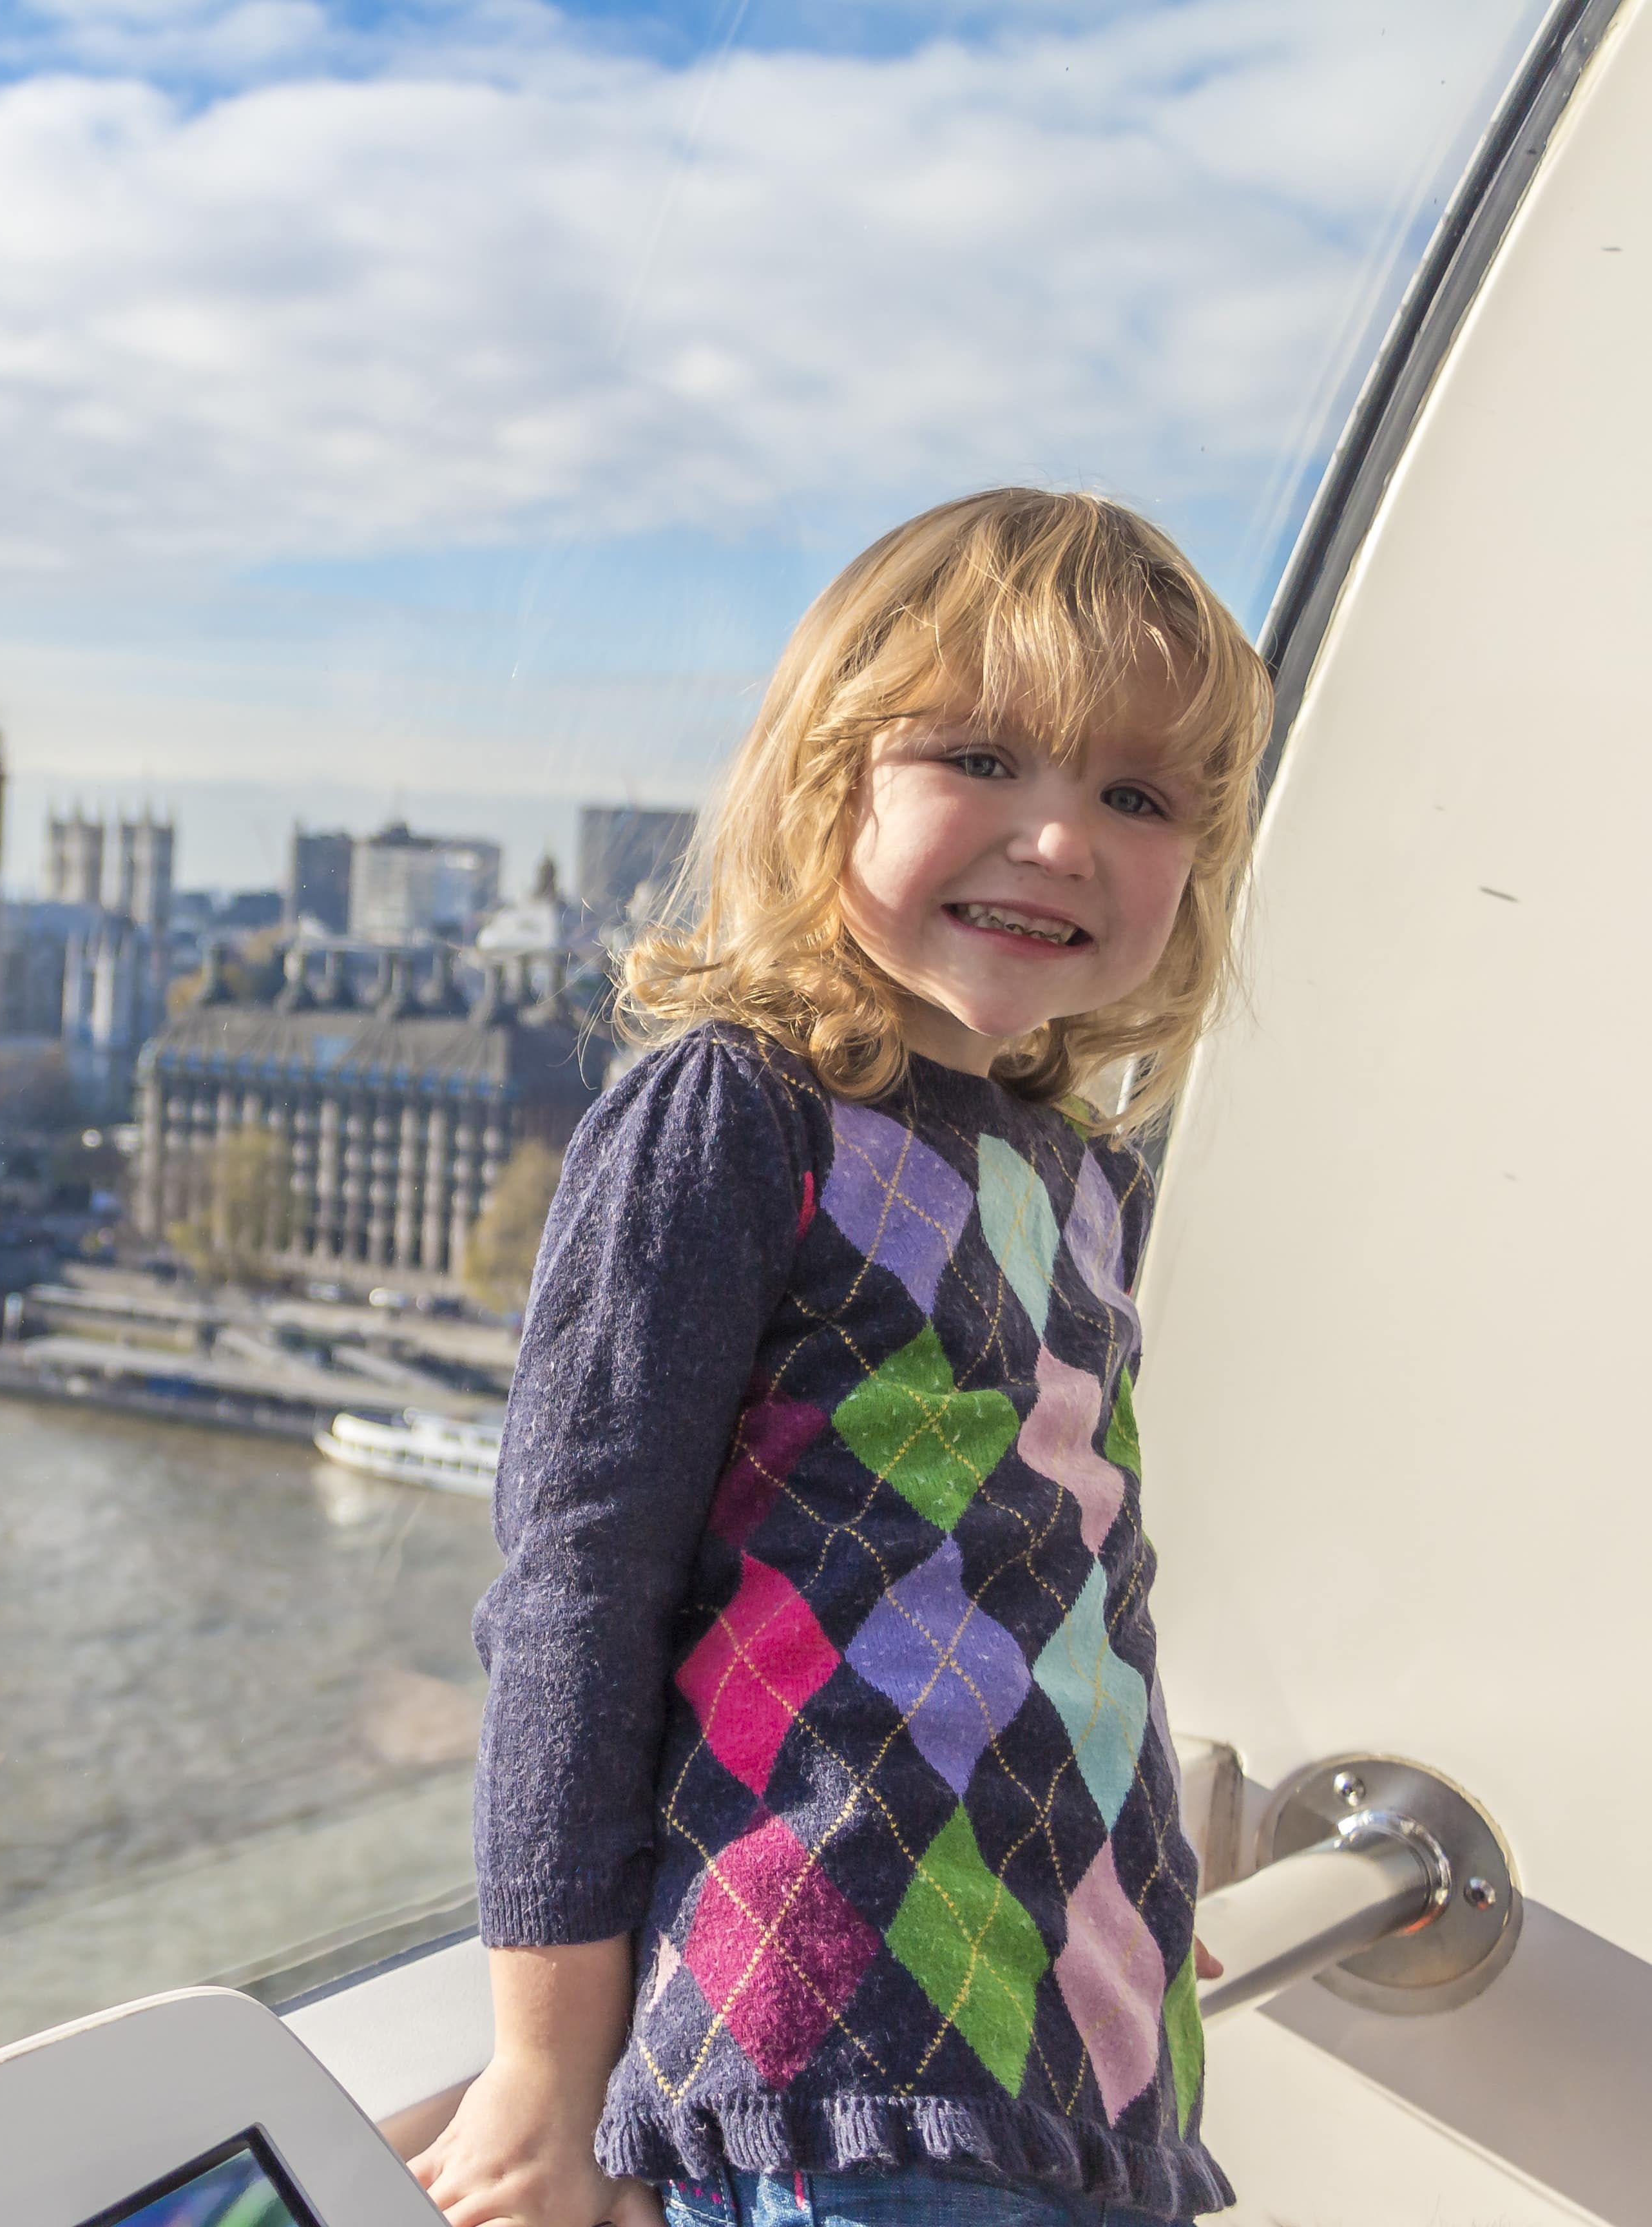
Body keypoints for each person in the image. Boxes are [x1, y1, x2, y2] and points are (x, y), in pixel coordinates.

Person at [410, 489, 1269, 2227]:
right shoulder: (732, 1114)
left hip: (1080, 2082)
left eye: (1135, 793)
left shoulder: (1075, 1176)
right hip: (839, 2065)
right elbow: (582, 1588)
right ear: (826, 788)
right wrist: (540, 2075)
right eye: (982, 757)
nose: (1058, 838)